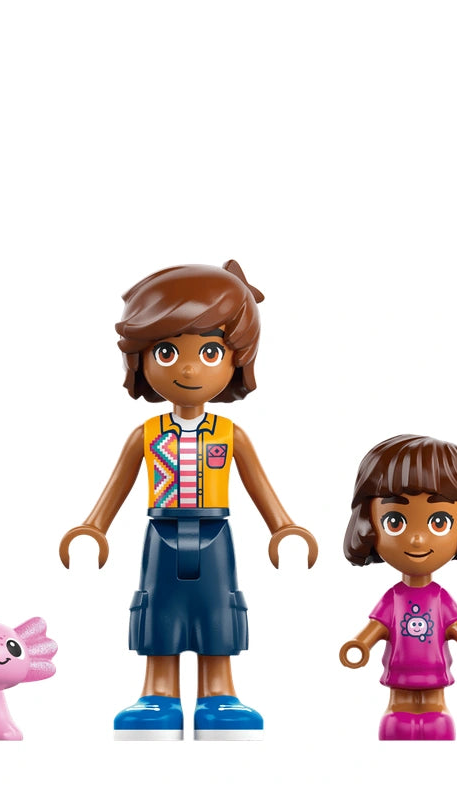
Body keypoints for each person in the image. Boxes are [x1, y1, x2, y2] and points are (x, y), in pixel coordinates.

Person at [60, 260, 317, 740]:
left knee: (218, 608)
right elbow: (116, 487)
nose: (189, 367)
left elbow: (260, 487)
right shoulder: (147, 433)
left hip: (217, 534)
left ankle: (219, 692)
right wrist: (93, 528)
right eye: (166, 350)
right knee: (158, 608)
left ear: (237, 358)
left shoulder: (229, 433)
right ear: (140, 359)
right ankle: (158, 692)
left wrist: (283, 527)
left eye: (210, 350)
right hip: (160, 533)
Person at [339, 434, 457, 740]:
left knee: (438, 720)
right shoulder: (394, 598)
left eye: (439, 522)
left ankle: (435, 712)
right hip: (400, 672)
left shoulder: (439, 598)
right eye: (395, 521)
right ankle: (398, 712)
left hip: (434, 672)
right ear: (369, 523)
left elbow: (456, 626)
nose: (417, 539)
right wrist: (360, 645)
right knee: (397, 720)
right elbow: (377, 626)